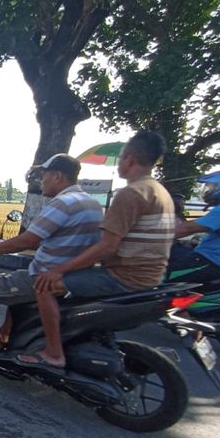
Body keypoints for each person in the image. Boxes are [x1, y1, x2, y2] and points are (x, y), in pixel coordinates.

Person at [28, 131, 175, 368]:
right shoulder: (160, 191)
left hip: (124, 277)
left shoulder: (131, 193)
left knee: (44, 286)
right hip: (152, 276)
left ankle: (54, 353)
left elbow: (107, 246)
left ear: (128, 159)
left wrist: (58, 270)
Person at [0, 154, 104, 352]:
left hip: (46, 277)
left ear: (57, 176)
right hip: (75, 275)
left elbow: (28, 240)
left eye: (44, 175)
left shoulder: (64, 203)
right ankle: (10, 335)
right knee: (11, 286)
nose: (41, 181)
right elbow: (66, 239)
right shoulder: (91, 203)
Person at [166, 171, 220, 283]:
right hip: (216, 260)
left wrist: (148, 235)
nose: (207, 191)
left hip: (212, 262)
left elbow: (184, 230)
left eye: (211, 187)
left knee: (159, 277)